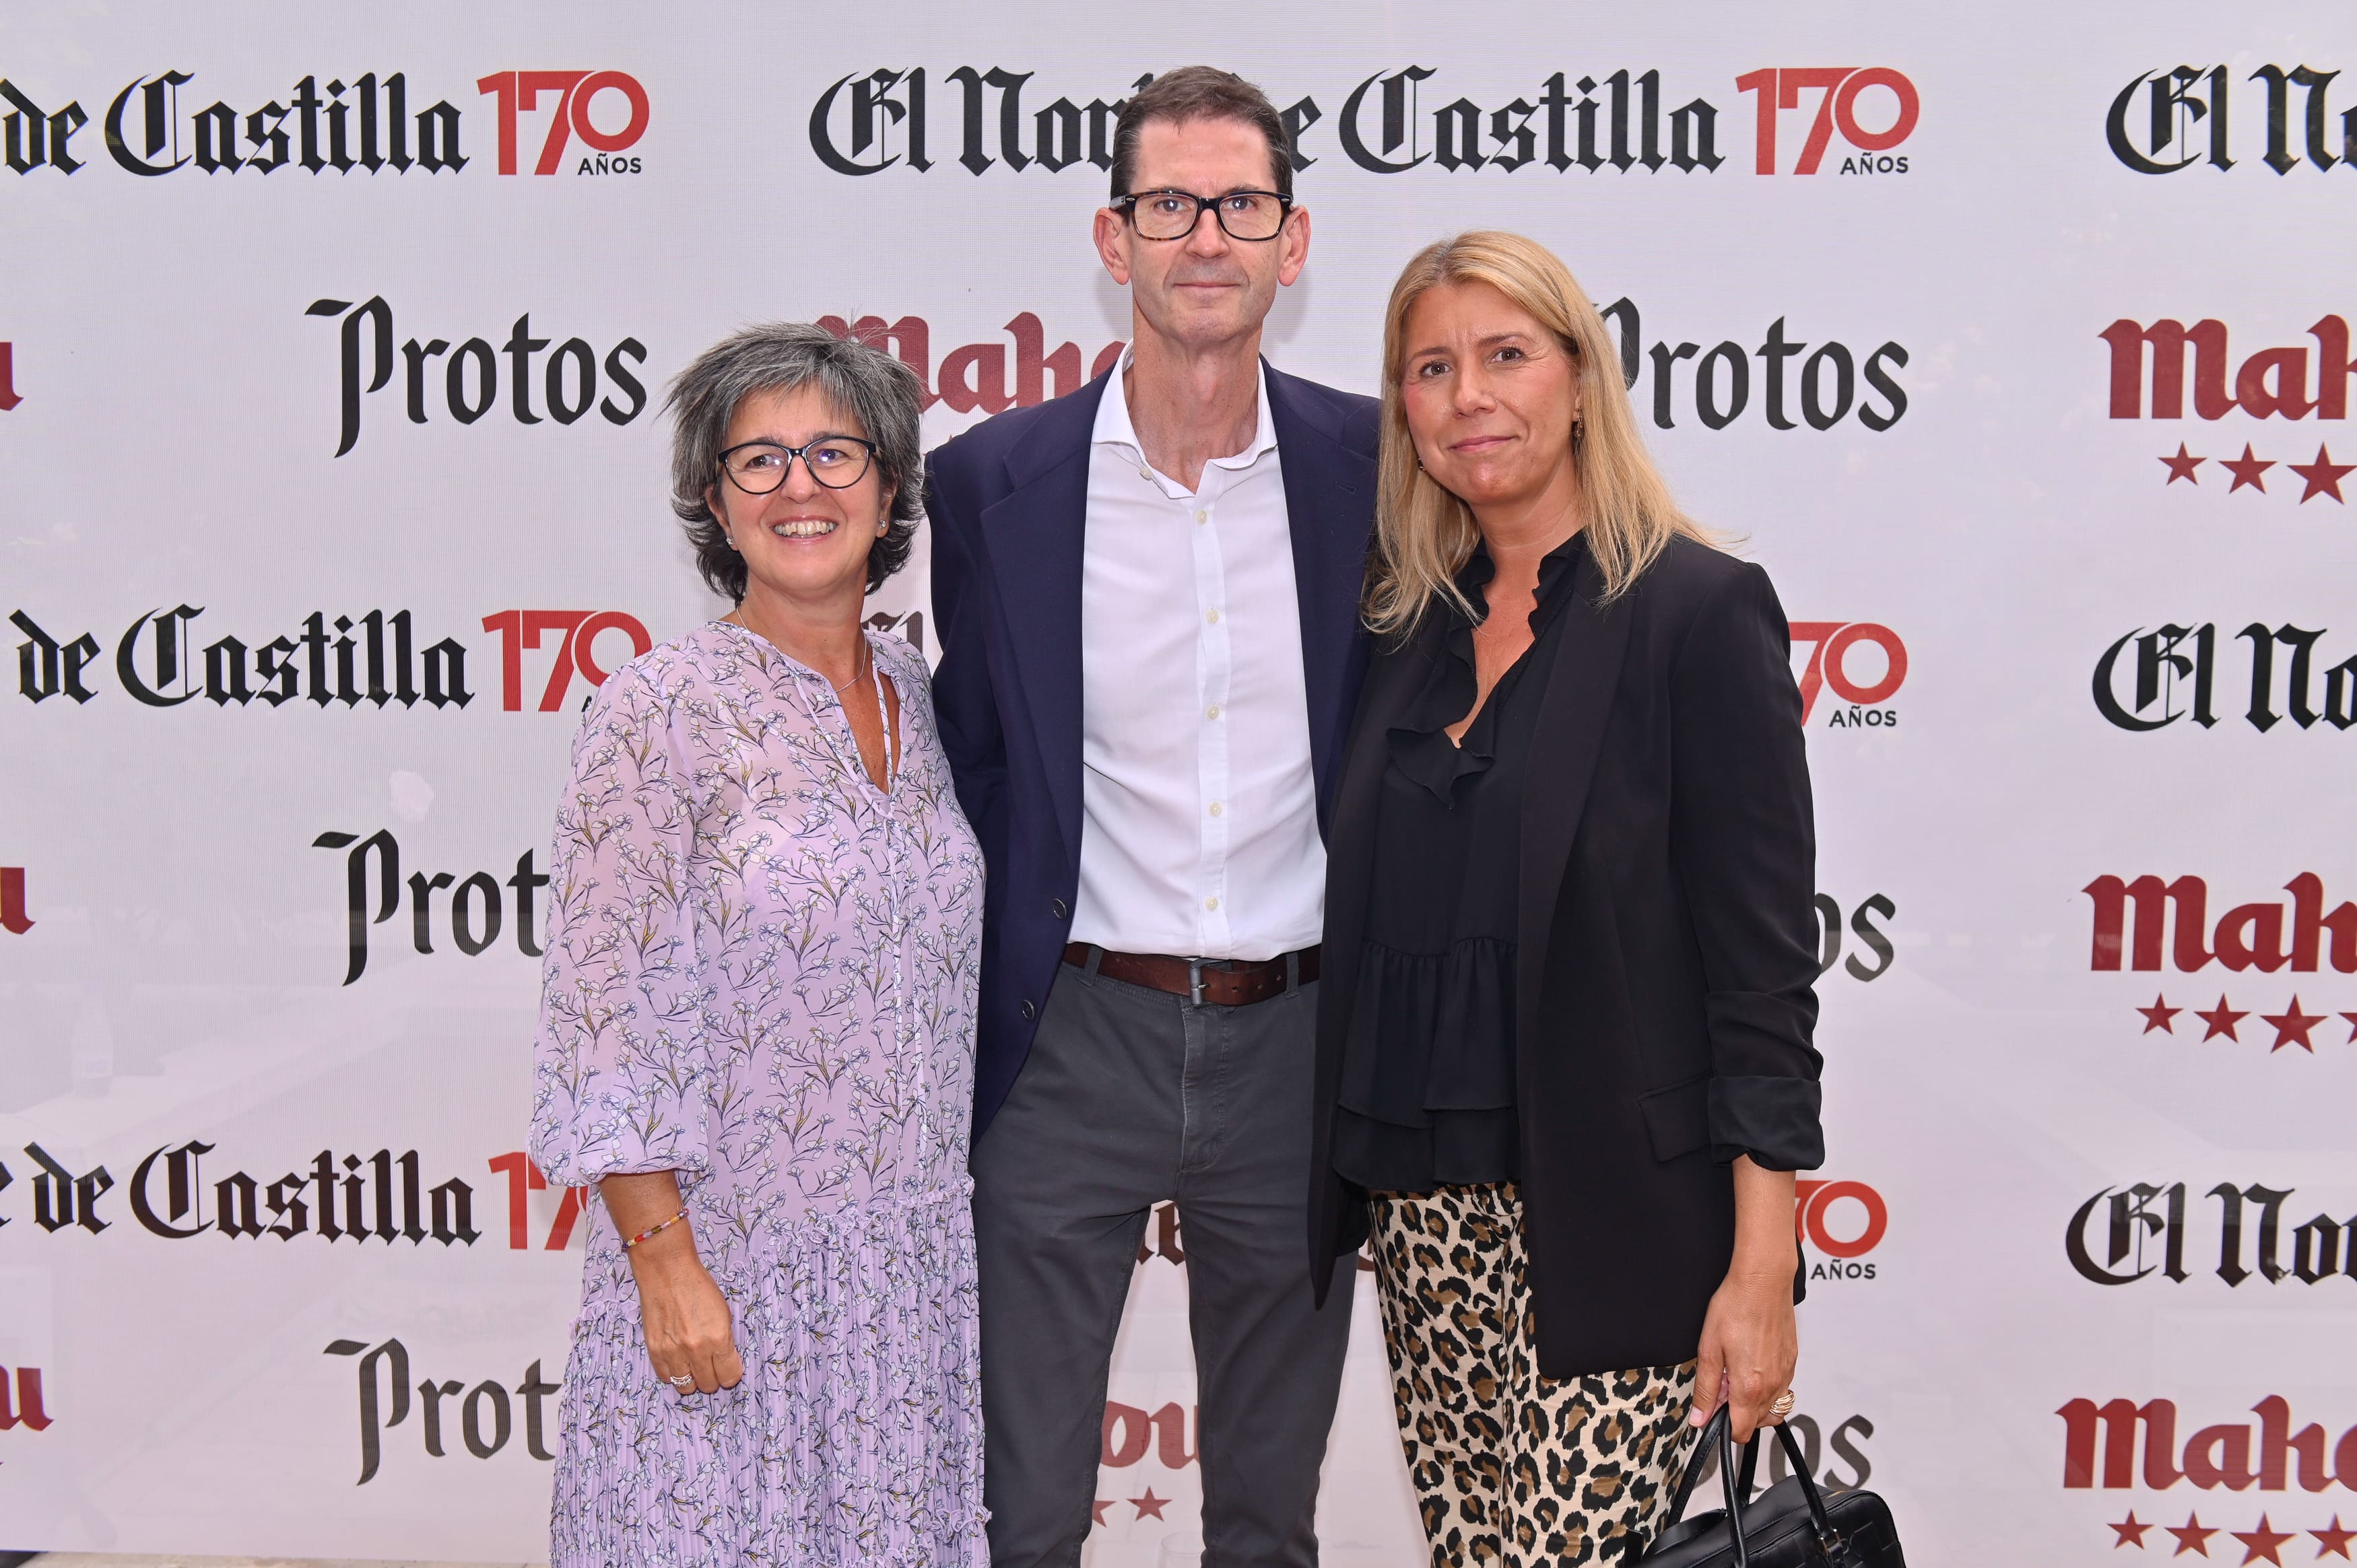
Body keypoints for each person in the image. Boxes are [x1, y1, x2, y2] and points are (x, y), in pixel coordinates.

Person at [1306, 232, 1824, 1567]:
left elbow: (1759, 975)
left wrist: (1761, 1269)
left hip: (1627, 1228)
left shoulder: (1697, 614)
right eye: (1432, 368)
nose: (1470, 395)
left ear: (1581, 380)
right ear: (1406, 417)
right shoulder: (1399, 630)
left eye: (1504, 355)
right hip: (1428, 1225)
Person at [926, 66, 1378, 1568]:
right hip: (1070, 1044)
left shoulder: (1380, 472)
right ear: (1112, 240)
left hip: (1301, 1047)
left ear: (1291, 241)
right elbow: (979, 761)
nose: (1206, 236)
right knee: (1027, 1505)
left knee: (1267, 1512)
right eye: (1169, 204)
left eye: (1239, 205)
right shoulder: (991, 484)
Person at [528, 324, 987, 1567]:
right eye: (760, 461)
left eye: (836, 453)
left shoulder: (924, 702)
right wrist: (664, 1266)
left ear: (890, 488)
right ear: (715, 503)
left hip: (902, 1303)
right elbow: (598, 1012)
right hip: (726, 1279)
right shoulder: (655, 710)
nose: (802, 487)